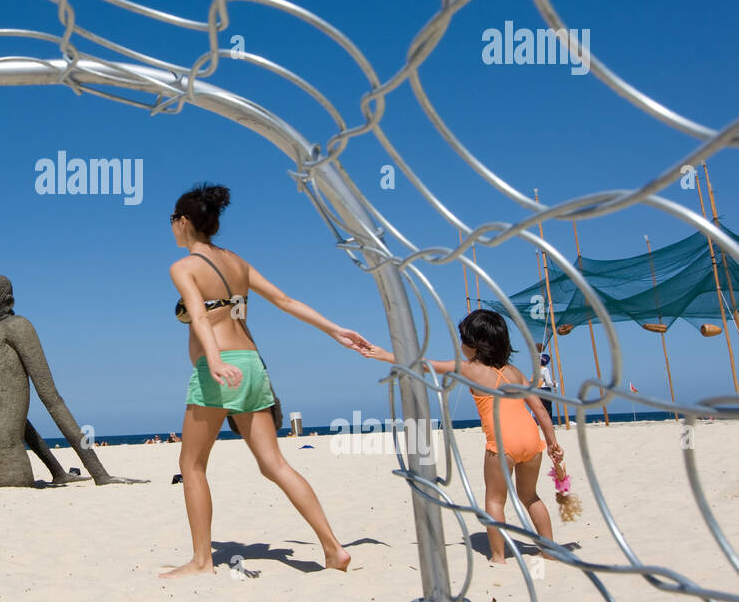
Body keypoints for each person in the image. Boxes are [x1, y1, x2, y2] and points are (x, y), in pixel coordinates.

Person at [161, 183, 370, 578]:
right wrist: (334, 329)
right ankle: (333, 548)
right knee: (274, 463)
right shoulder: (237, 262)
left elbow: (201, 318)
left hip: (219, 369)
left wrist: (216, 360)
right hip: (253, 364)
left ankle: (202, 562)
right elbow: (285, 301)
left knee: (191, 465)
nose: (171, 227)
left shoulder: (183, 267)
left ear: (185, 222)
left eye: (173, 220)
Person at [363, 309, 563, 564]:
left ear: (474, 345)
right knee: (530, 496)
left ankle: (499, 557)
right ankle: (549, 550)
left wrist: (385, 355)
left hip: (502, 445)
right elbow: (540, 410)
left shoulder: (469, 369)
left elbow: (423, 365)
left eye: (463, 339)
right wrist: (553, 444)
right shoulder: (514, 372)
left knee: (494, 500)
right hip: (533, 442)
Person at [537, 352, 556, 420]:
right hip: (545, 389)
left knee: (541, 408)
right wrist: (554, 384)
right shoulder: (545, 369)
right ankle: (549, 424)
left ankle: (540, 422)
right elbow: (548, 383)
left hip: (538, 389)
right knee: (548, 408)